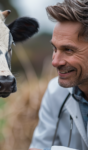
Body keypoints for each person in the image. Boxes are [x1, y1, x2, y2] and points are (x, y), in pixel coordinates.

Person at [29, 0, 88, 150]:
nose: (55, 62)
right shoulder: (55, 92)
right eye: (55, 48)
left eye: (68, 50)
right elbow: (40, 146)